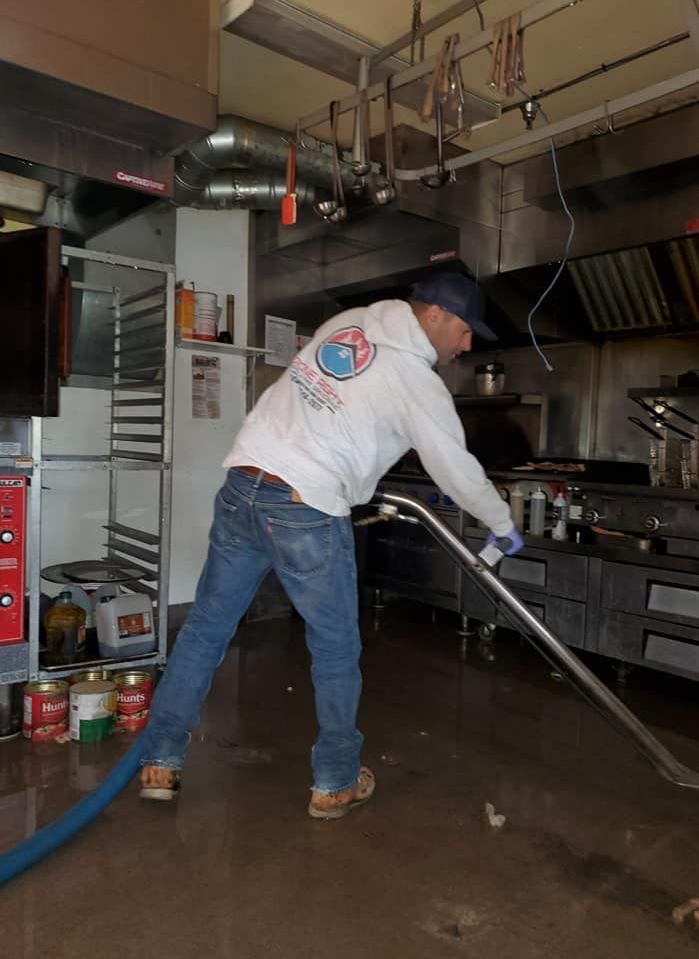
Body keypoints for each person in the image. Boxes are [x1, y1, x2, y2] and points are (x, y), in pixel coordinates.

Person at [139, 272, 524, 817]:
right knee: (335, 647)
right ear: (435, 314)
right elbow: (455, 469)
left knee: (205, 627)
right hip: (304, 503)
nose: (466, 344)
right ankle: (336, 779)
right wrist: (501, 522)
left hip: (244, 483)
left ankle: (160, 760)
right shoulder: (416, 380)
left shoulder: (351, 323)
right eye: (465, 330)